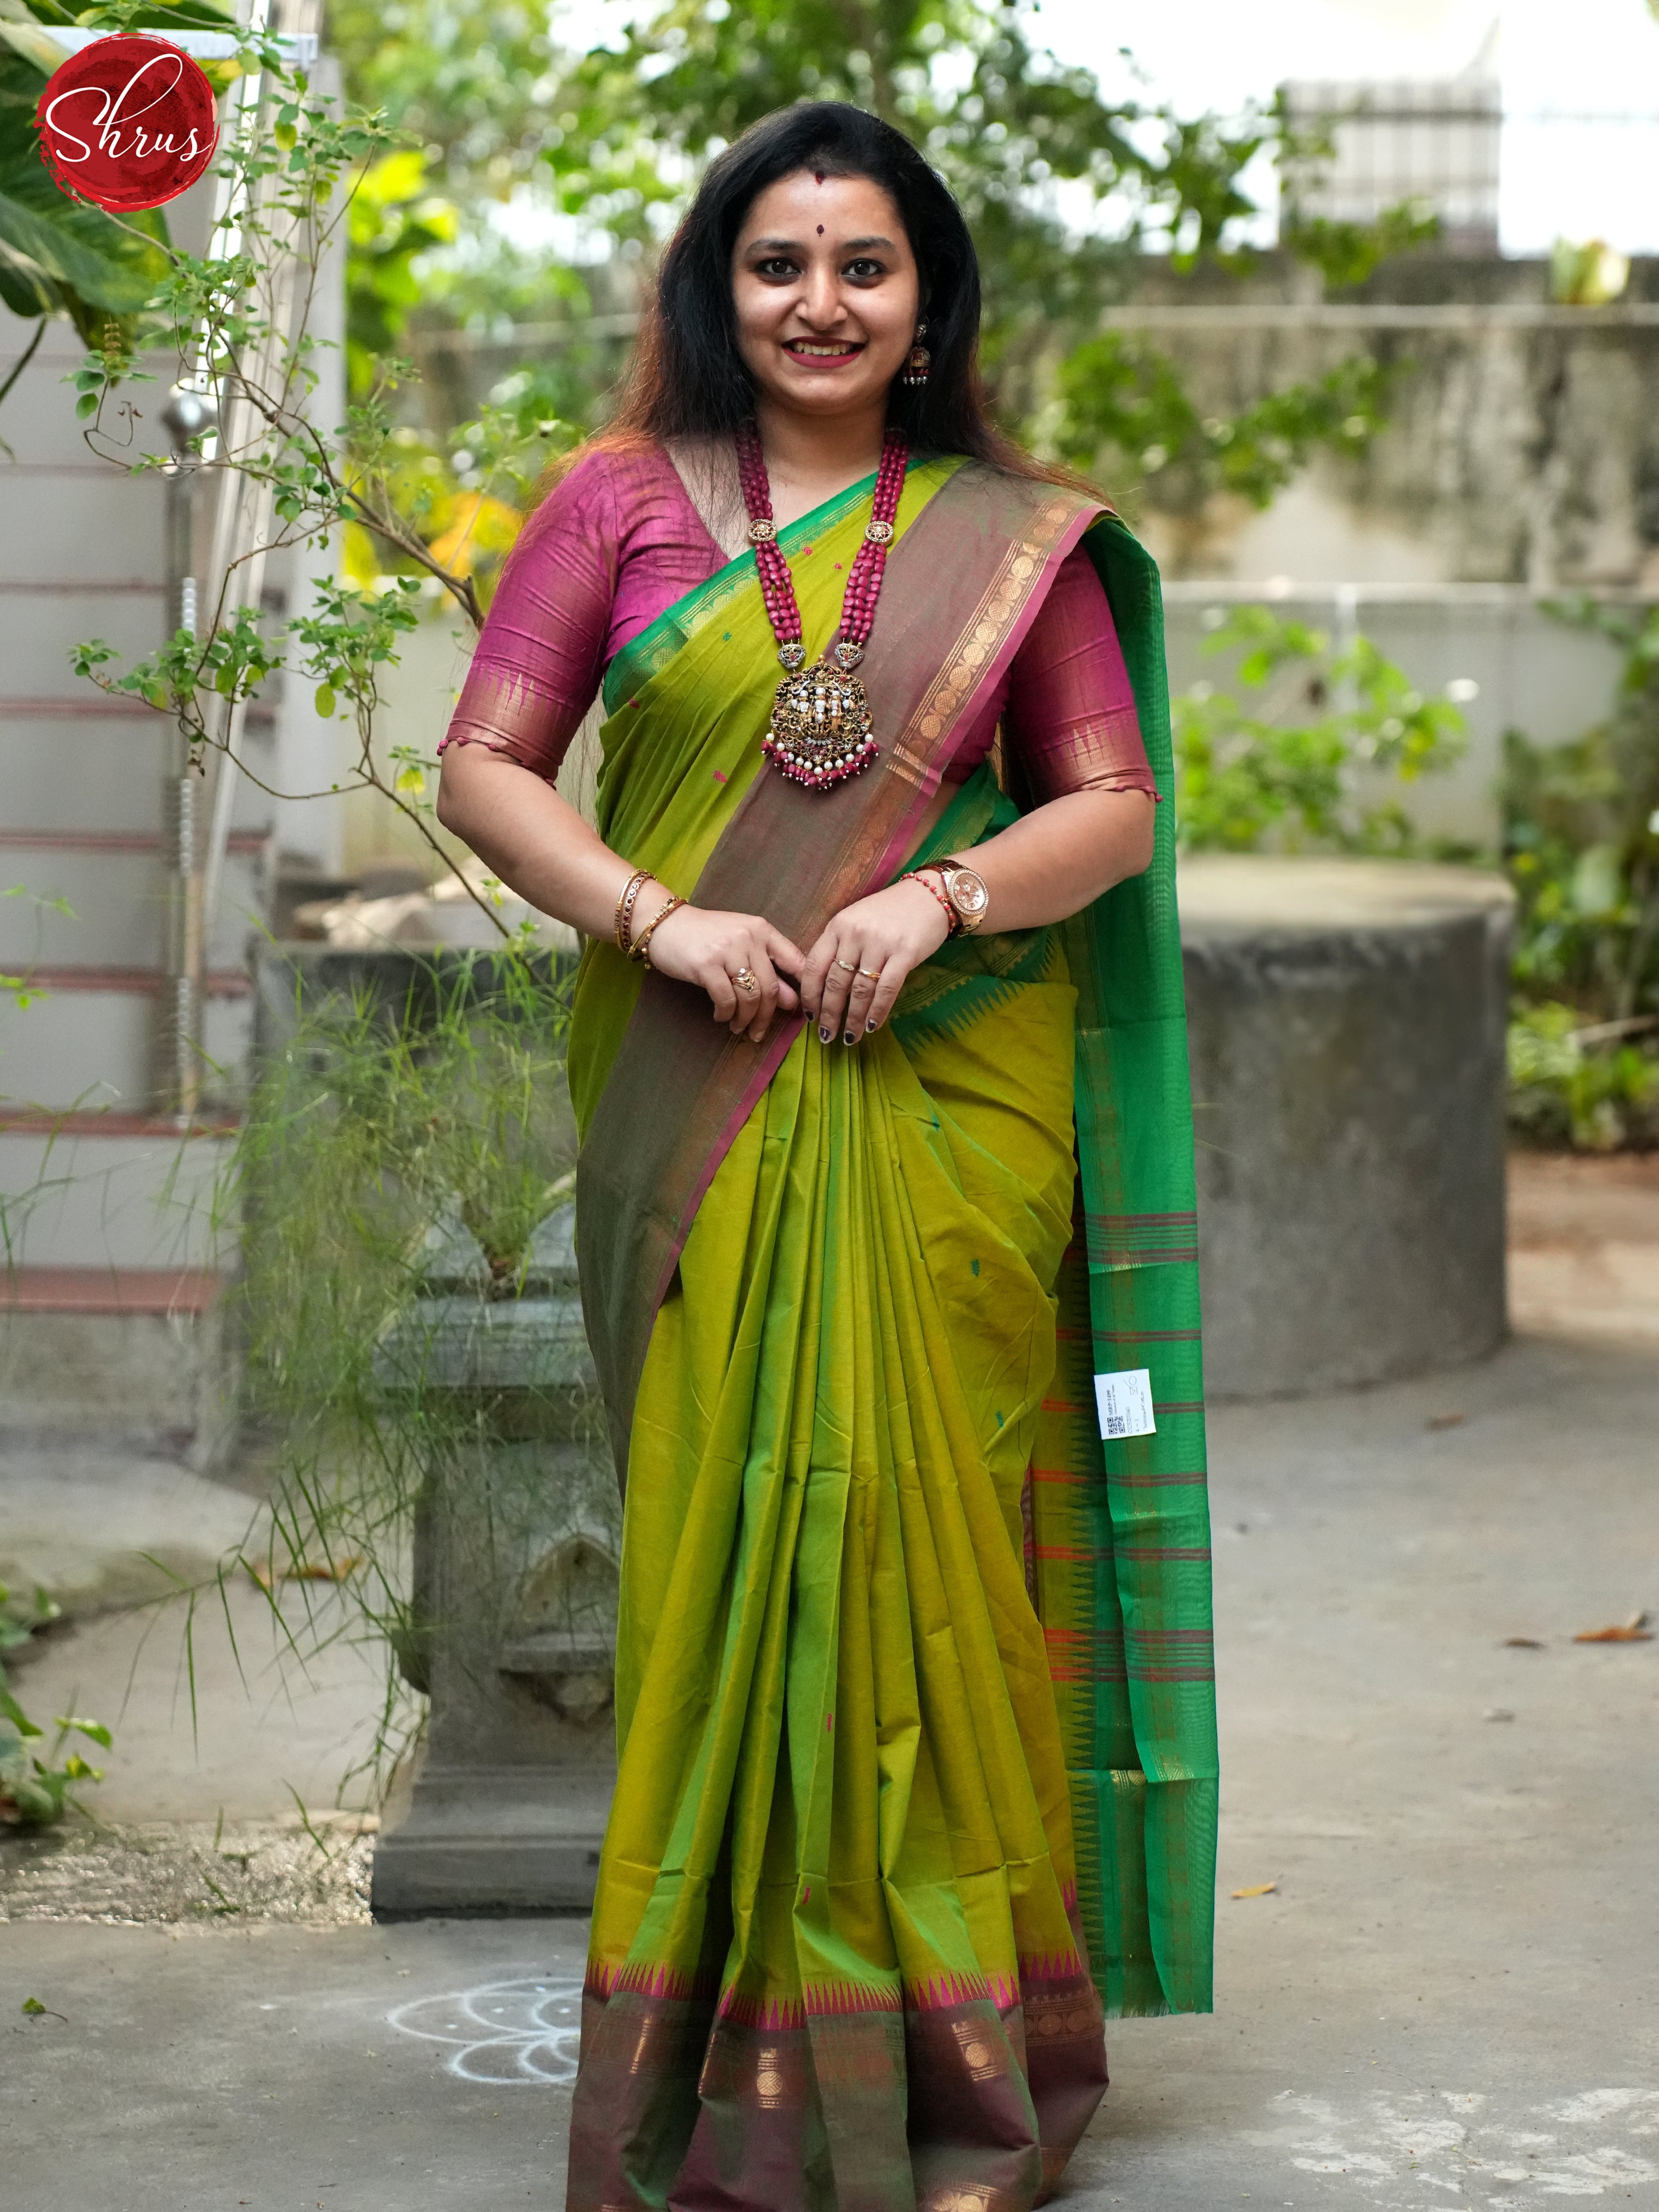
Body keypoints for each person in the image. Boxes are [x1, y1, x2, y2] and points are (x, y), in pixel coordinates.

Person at [436, 99, 1217, 2212]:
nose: (819, 301)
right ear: (720, 286)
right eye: (778, 262)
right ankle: (725, 2056)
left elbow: (1108, 806)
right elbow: (486, 763)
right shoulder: (618, 503)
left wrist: (933, 901)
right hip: (698, 1103)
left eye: (864, 265)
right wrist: (659, 916)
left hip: (937, 1119)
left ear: (930, 303)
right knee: (722, 1563)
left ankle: (942, 2060)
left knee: (926, 1558)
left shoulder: (1009, 538)